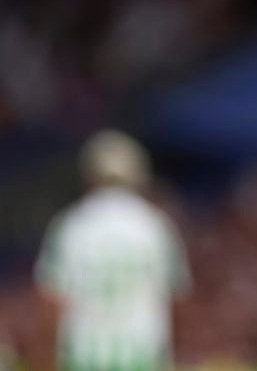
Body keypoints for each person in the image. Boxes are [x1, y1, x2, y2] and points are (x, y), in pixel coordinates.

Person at [35, 129, 191, 371]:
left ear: (88, 175)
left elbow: (51, 301)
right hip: (144, 358)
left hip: (85, 359)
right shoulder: (155, 227)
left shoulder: (71, 225)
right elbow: (177, 298)